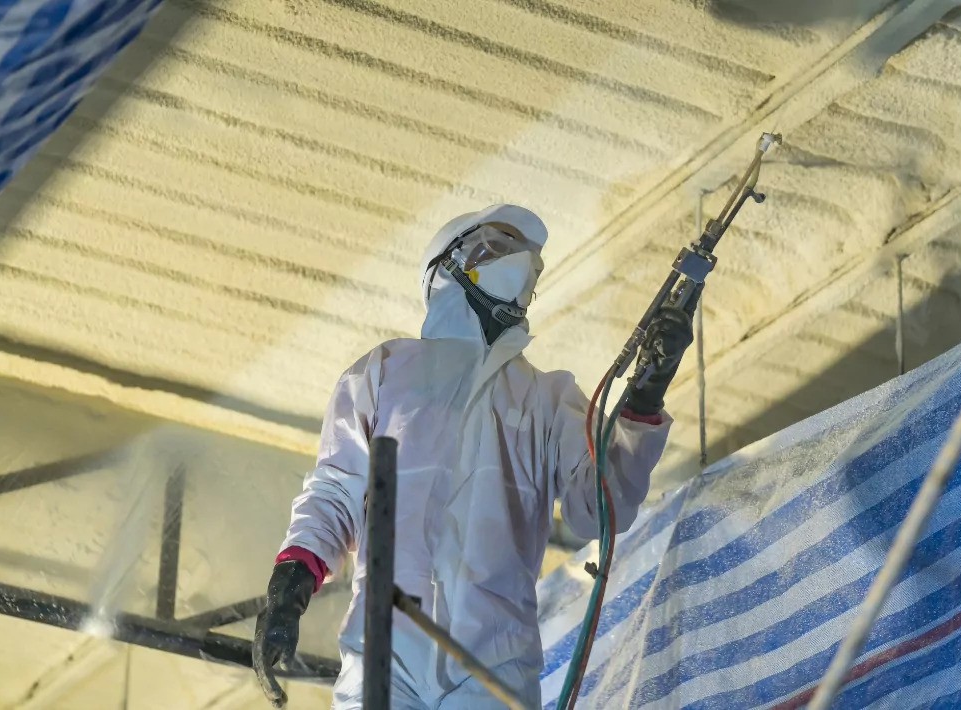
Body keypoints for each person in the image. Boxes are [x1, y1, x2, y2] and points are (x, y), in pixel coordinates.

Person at [252, 204, 695, 709]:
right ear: (447, 267)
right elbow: (335, 494)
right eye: (497, 247)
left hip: (494, 661)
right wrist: (288, 588)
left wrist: (644, 399)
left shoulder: (550, 399)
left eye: (525, 255)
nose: (518, 262)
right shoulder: (383, 373)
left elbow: (597, 508)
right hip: (385, 651)